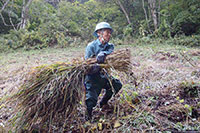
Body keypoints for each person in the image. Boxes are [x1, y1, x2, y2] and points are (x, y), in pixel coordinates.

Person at [84, 22, 122, 121]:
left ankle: (103, 103)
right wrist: (95, 66)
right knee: (91, 99)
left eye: (110, 33)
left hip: (103, 75)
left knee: (116, 85)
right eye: (107, 33)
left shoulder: (109, 46)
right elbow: (86, 66)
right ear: (99, 33)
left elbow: (111, 51)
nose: (109, 35)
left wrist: (103, 53)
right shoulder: (91, 46)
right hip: (92, 77)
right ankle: (88, 117)